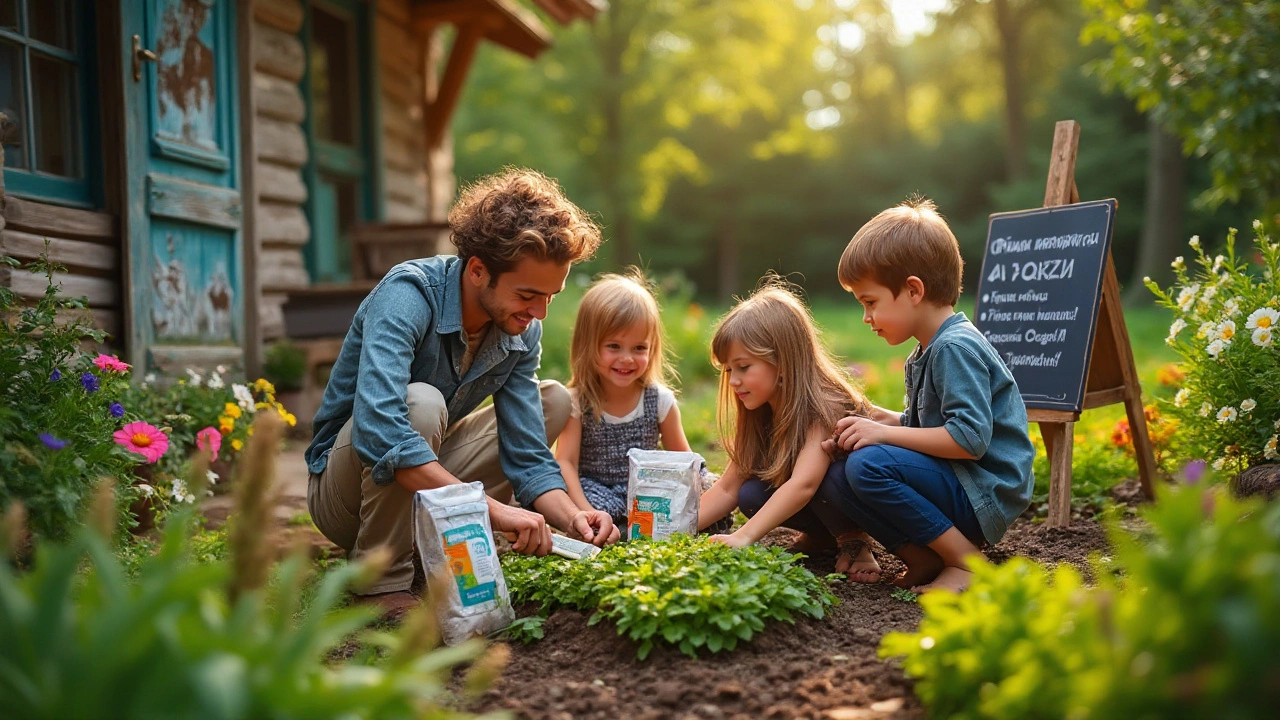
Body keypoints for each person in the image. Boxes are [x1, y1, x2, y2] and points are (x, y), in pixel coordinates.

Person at [304, 168, 620, 617]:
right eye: (529, 294)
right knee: (420, 403)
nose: (540, 312)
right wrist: (495, 510)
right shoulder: (408, 295)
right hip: (345, 497)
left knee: (554, 400)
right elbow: (381, 432)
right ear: (477, 270)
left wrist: (571, 517)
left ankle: (437, 532)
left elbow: (527, 454)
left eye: (551, 296)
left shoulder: (520, 330)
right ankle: (379, 579)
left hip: (421, 479)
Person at [822, 196, 1036, 593]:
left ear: (913, 290)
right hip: (958, 478)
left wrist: (883, 436)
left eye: (870, 302)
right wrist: (884, 420)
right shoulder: (926, 349)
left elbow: (969, 440)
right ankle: (923, 557)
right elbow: (931, 430)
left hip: (982, 490)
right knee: (837, 472)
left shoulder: (954, 347)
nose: (866, 317)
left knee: (868, 465)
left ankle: (966, 564)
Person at [695, 283, 881, 580]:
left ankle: (854, 540)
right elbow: (728, 488)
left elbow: (804, 485)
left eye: (743, 367)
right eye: (729, 370)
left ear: (782, 362)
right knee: (751, 493)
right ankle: (823, 538)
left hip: (865, 504)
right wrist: (670, 530)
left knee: (829, 478)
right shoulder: (760, 410)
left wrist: (743, 537)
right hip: (818, 500)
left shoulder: (823, 405)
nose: (733, 381)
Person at [554, 272, 694, 528]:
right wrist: (585, 512)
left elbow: (683, 463)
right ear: (588, 345)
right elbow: (566, 463)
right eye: (614, 346)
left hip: (646, 492)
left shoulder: (660, 401)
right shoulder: (577, 402)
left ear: (652, 348)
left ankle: (634, 526)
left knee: (700, 495)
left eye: (639, 348)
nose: (627, 358)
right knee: (590, 507)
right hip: (596, 491)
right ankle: (611, 526)